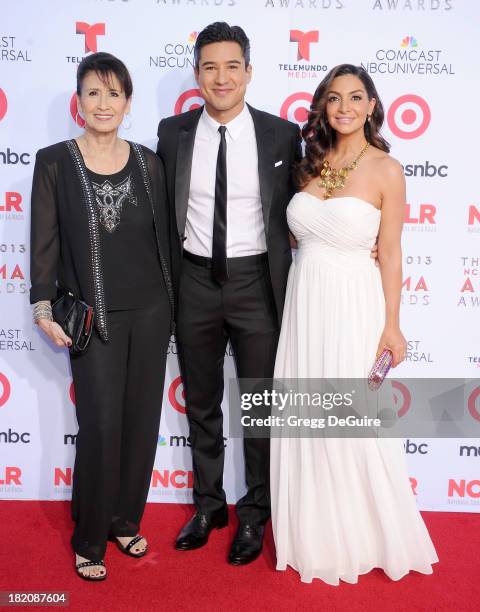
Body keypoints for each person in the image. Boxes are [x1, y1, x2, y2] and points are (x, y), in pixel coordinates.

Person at [270, 64, 438, 584]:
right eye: (334, 98)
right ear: (322, 106)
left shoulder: (387, 168)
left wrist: (392, 326)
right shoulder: (306, 167)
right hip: (305, 305)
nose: (344, 107)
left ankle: (364, 534)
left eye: (356, 97)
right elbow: (299, 241)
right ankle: (314, 532)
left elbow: (390, 253)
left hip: (354, 306)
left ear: (371, 105)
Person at [156, 22, 301, 565]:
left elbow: (309, 204)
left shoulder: (282, 135)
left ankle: (255, 513)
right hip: (193, 280)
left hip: (257, 283)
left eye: (232, 65)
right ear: (197, 74)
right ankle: (209, 504)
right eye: (210, 66)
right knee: (200, 402)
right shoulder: (172, 134)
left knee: (260, 407)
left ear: (249, 71)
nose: (221, 77)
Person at [30, 52, 174, 580]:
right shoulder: (54, 162)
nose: (104, 103)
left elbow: (164, 244)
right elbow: (42, 240)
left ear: (128, 102)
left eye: (114, 93)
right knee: (100, 425)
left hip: (153, 311)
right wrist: (43, 304)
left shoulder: (148, 162)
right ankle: (89, 536)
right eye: (94, 92)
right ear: (79, 101)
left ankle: (123, 519)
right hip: (93, 318)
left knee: (141, 424)